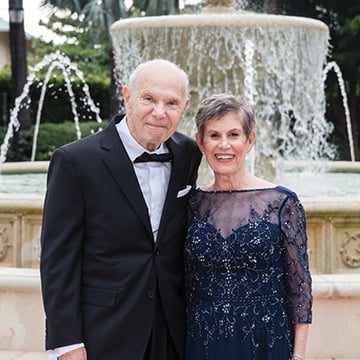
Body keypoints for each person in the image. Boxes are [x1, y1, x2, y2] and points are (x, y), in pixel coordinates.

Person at [40, 59, 202, 360]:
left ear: (185, 107)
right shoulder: (75, 161)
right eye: (149, 99)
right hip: (104, 331)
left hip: (172, 329)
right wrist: (66, 343)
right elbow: (58, 260)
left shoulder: (189, 154)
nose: (159, 112)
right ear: (127, 96)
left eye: (171, 103)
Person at [184, 94, 312, 360]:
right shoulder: (191, 203)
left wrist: (298, 356)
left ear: (249, 140)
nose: (224, 145)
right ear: (200, 141)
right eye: (214, 135)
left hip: (266, 338)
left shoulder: (282, 202)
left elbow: (299, 289)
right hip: (203, 337)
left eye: (233, 134)